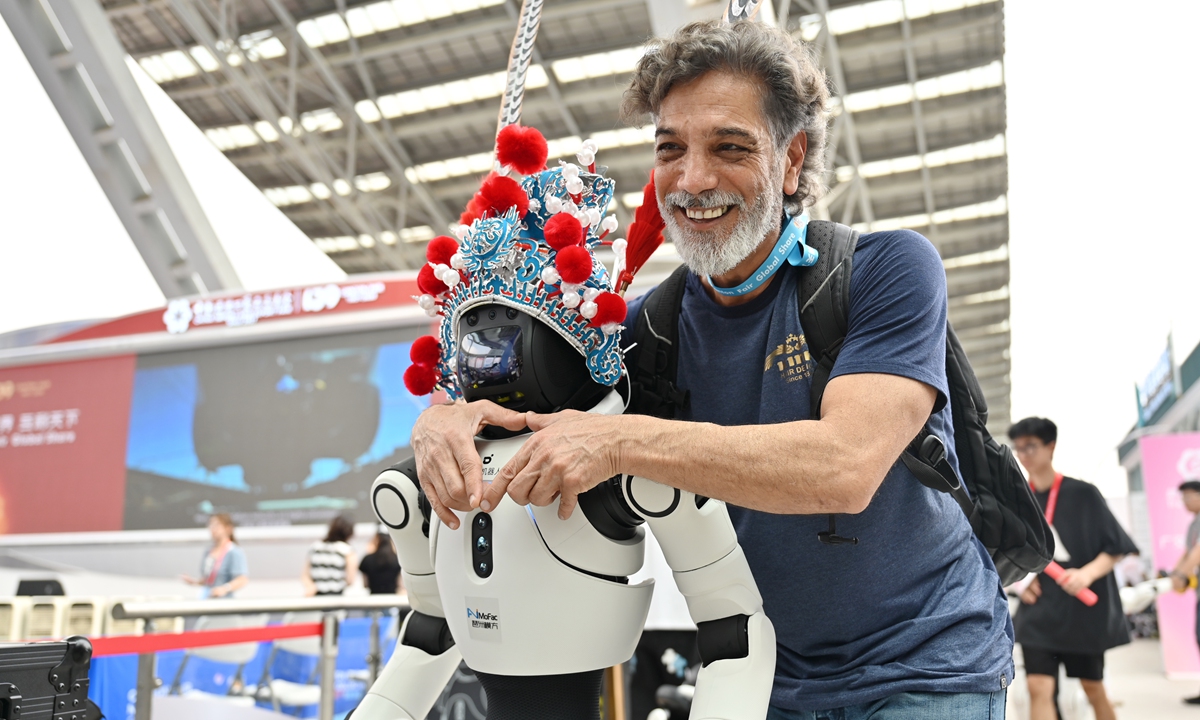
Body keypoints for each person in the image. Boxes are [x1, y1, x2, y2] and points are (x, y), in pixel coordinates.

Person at [407, 19, 1013, 718]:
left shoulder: (885, 272)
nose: (693, 180)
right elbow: (518, 406)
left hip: (926, 667)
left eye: (730, 147)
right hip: (762, 673)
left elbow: (844, 467)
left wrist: (618, 439)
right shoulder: (644, 330)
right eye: (671, 149)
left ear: (792, 160)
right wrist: (443, 421)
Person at [1008, 417, 1138, 720]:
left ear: (1050, 446)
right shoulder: (1017, 499)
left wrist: (1086, 574)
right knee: (1038, 686)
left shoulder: (1083, 494)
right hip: (1039, 608)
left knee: (1093, 688)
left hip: (1081, 608)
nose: (1025, 455)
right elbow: (1006, 549)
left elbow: (1116, 546)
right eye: (1019, 449)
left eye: (1031, 447)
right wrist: (1021, 582)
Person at [1170, 479, 1200, 704]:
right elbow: (1188, 552)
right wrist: (1174, 573)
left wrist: (1180, 575)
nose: (1185, 502)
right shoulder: (1194, 523)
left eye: (1188, 497)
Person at [181, 513, 248, 599]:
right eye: (211, 525)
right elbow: (209, 579)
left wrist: (224, 589)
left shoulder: (234, 551)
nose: (213, 529)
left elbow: (242, 579)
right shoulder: (208, 551)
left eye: (217, 525)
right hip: (207, 599)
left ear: (228, 528)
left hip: (224, 604)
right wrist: (195, 582)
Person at [303, 515, 357, 596]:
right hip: (336, 598)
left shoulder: (315, 547)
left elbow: (305, 575)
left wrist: (312, 586)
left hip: (315, 597)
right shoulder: (347, 551)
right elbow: (350, 580)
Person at [358, 530, 401, 594]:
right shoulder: (397, 559)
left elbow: (365, 584)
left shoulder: (368, 559)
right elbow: (400, 584)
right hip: (392, 598)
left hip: (374, 598)